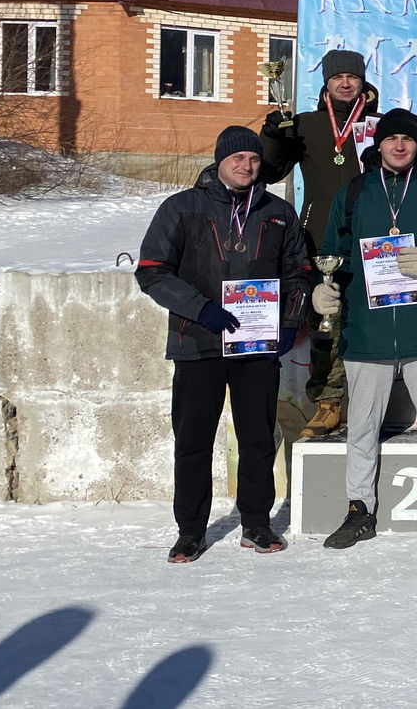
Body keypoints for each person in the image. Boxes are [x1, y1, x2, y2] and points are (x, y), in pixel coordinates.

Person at [136, 126, 313, 562]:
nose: (246, 166)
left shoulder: (278, 212)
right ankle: (190, 530)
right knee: (193, 439)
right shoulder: (182, 207)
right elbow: (152, 270)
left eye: (253, 160)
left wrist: (289, 322)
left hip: (256, 345)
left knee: (257, 436)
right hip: (198, 342)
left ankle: (256, 522)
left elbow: (300, 272)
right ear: (220, 161)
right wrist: (202, 309)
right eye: (237, 159)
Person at [313, 109, 417, 550]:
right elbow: (332, 253)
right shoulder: (356, 192)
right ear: (377, 144)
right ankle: (359, 510)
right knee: (361, 429)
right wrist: (324, 290)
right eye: (391, 138)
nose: (399, 146)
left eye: (408, 139)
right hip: (367, 334)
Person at [258, 49, 382, 439]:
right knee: (325, 324)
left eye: (352, 77)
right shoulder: (308, 124)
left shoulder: (382, 126)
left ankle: (373, 403)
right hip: (320, 239)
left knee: (374, 320)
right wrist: (273, 134)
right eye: (337, 78)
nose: (345, 83)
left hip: (375, 239)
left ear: (363, 82)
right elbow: (272, 168)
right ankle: (327, 404)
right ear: (326, 83)